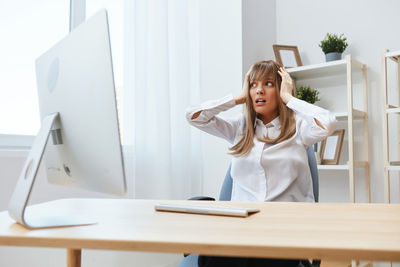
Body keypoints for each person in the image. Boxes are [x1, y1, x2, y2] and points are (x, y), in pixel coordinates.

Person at [186, 60, 337, 267]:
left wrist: (289, 98)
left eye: (268, 84)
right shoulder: (240, 127)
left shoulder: (299, 127)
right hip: (241, 228)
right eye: (253, 85)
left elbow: (328, 122)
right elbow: (194, 117)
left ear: (280, 87)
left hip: (283, 231)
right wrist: (237, 99)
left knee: (260, 256)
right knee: (215, 254)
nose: (259, 91)